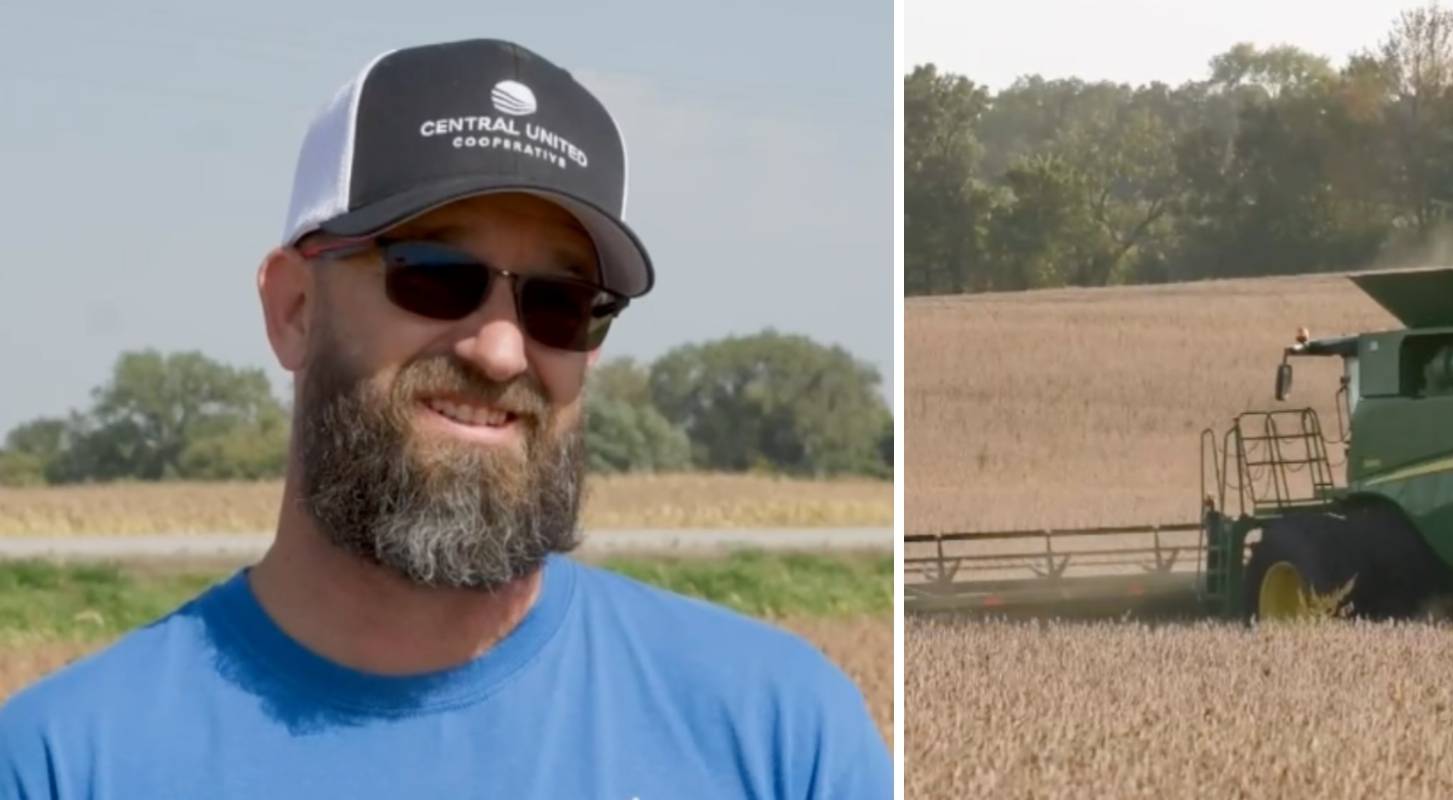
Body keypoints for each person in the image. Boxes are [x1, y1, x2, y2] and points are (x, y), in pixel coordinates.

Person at [0, 38, 892, 799]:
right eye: (434, 273)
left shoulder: (779, 743)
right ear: (294, 309)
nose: (501, 352)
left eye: (560, 300)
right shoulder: (68, 766)